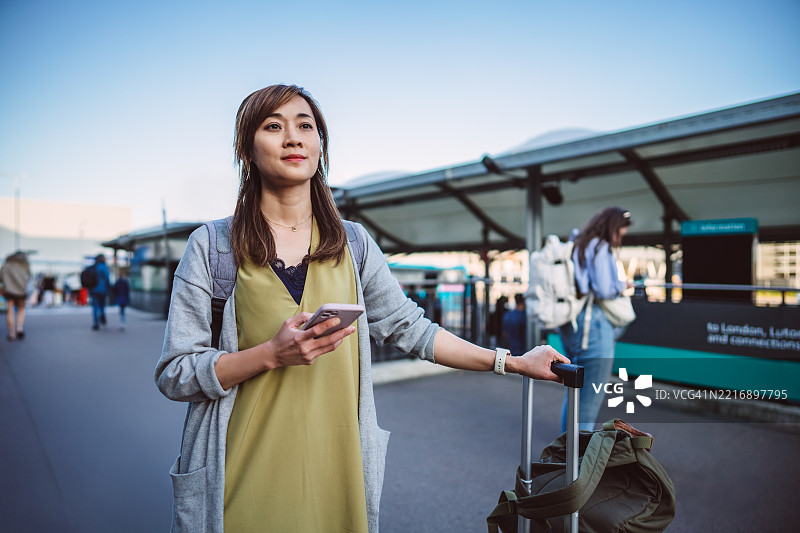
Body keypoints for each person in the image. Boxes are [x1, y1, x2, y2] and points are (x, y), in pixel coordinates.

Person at [154, 84, 569, 533]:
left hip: (339, 475)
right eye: (273, 127)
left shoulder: (352, 244)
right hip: (238, 477)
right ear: (246, 150)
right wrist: (270, 354)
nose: (293, 138)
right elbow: (175, 373)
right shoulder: (213, 246)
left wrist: (513, 361)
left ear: (320, 145)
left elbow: (412, 328)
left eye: (305, 126)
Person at [558, 206, 632, 432]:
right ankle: (578, 453)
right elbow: (603, 289)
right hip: (594, 327)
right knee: (588, 402)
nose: (621, 237)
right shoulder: (599, 247)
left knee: (575, 395)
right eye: (620, 232)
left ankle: (566, 448)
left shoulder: (578, 243)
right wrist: (623, 285)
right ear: (613, 227)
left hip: (573, 325)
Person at [1, 251, 32, 341]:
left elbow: (1, 278)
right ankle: (19, 328)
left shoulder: (6, 265)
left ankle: (12, 334)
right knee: (21, 310)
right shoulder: (25, 265)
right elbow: (29, 277)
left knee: (10, 310)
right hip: (21, 291)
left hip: (9, 291)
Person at [89, 254, 111, 331]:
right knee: (102, 305)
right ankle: (102, 315)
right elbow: (107, 278)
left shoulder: (94, 267)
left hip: (93, 289)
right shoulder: (104, 267)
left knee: (95, 306)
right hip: (102, 289)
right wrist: (109, 287)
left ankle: (96, 323)